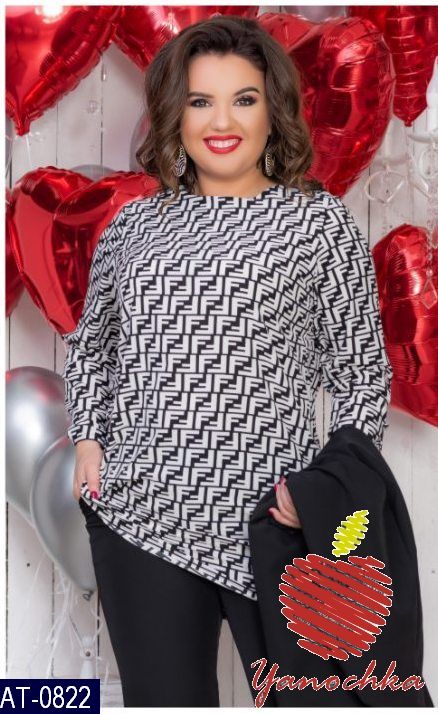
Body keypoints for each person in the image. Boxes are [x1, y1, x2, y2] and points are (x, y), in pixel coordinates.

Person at [62, 15, 393, 708]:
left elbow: (363, 373)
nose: (222, 121)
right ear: (174, 113)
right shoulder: (134, 228)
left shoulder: (319, 225)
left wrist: (326, 492)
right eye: (200, 100)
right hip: (142, 515)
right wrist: (89, 439)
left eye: (244, 99)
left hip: (279, 522)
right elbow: (93, 348)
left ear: (274, 110)